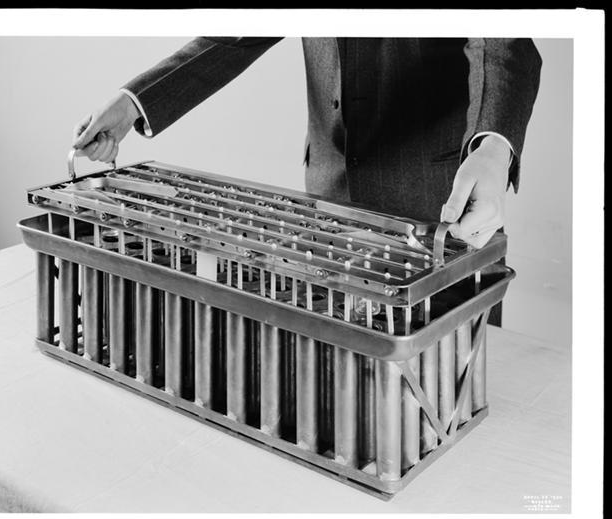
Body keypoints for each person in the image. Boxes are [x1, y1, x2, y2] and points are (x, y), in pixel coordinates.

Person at [72, 37, 542, 323]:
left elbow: (504, 41)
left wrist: (494, 149)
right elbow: (237, 35)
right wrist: (134, 101)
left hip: (440, 205)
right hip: (327, 204)